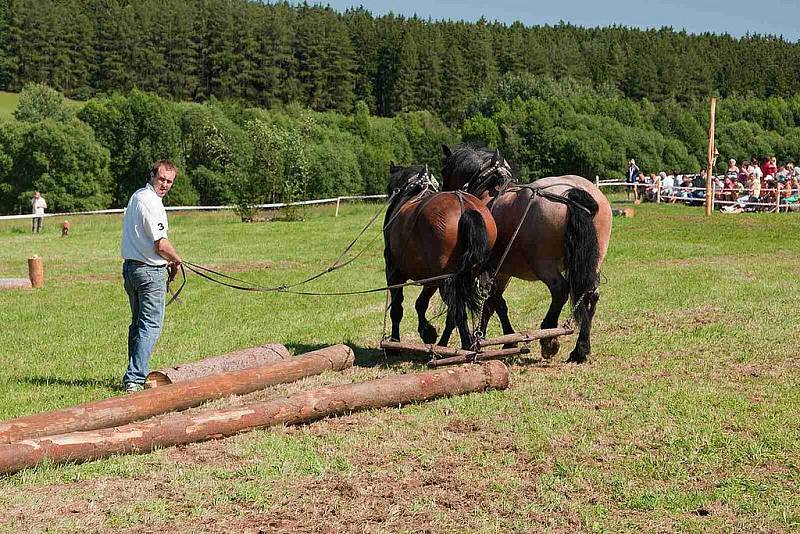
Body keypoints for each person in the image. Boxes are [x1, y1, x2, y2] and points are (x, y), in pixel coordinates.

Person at [120, 160, 182, 393]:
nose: (165, 184)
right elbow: (160, 244)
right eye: (162, 179)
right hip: (149, 272)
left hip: (132, 269)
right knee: (150, 326)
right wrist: (176, 259)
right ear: (152, 176)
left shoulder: (137, 196)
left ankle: (132, 375)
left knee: (137, 325)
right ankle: (135, 378)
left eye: (169, 181)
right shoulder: (152, 203)